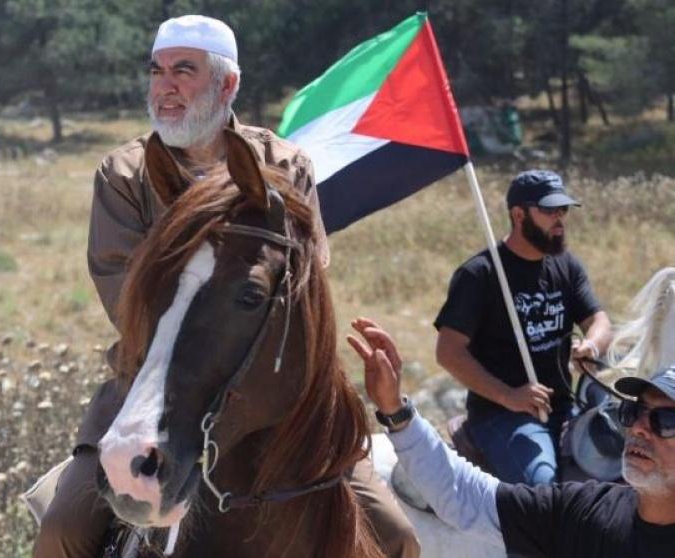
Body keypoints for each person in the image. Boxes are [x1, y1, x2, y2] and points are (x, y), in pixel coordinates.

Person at [35, 14, 420, 558]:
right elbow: (128, 302)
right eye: (157, 71)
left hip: (284, 393)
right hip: (151, 380)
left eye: (183, 71)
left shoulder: (285, 165)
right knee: (64, 533)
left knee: (397, 538)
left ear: (228, 83)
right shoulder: (124, 174)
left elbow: (306, 285)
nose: (165, 86)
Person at [347, 317, 675, 558]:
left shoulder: (567, 270)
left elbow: (596, 318)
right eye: (634, 411)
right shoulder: (588, 513)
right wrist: (396, 410)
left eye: (665, 420)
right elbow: (466, 496)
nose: (639, 427)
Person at [434, 169, 612, 485]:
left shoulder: (567, 265)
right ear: (519, 214)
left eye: (563, 209)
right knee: (543, 490)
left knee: (617, 473)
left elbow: (599, 321)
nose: (559, 219)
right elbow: (448, 352)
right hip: (502, 415)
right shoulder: (479, 274)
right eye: (549, 210)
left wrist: (591, 346)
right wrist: (508, 396)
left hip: (564, 408)